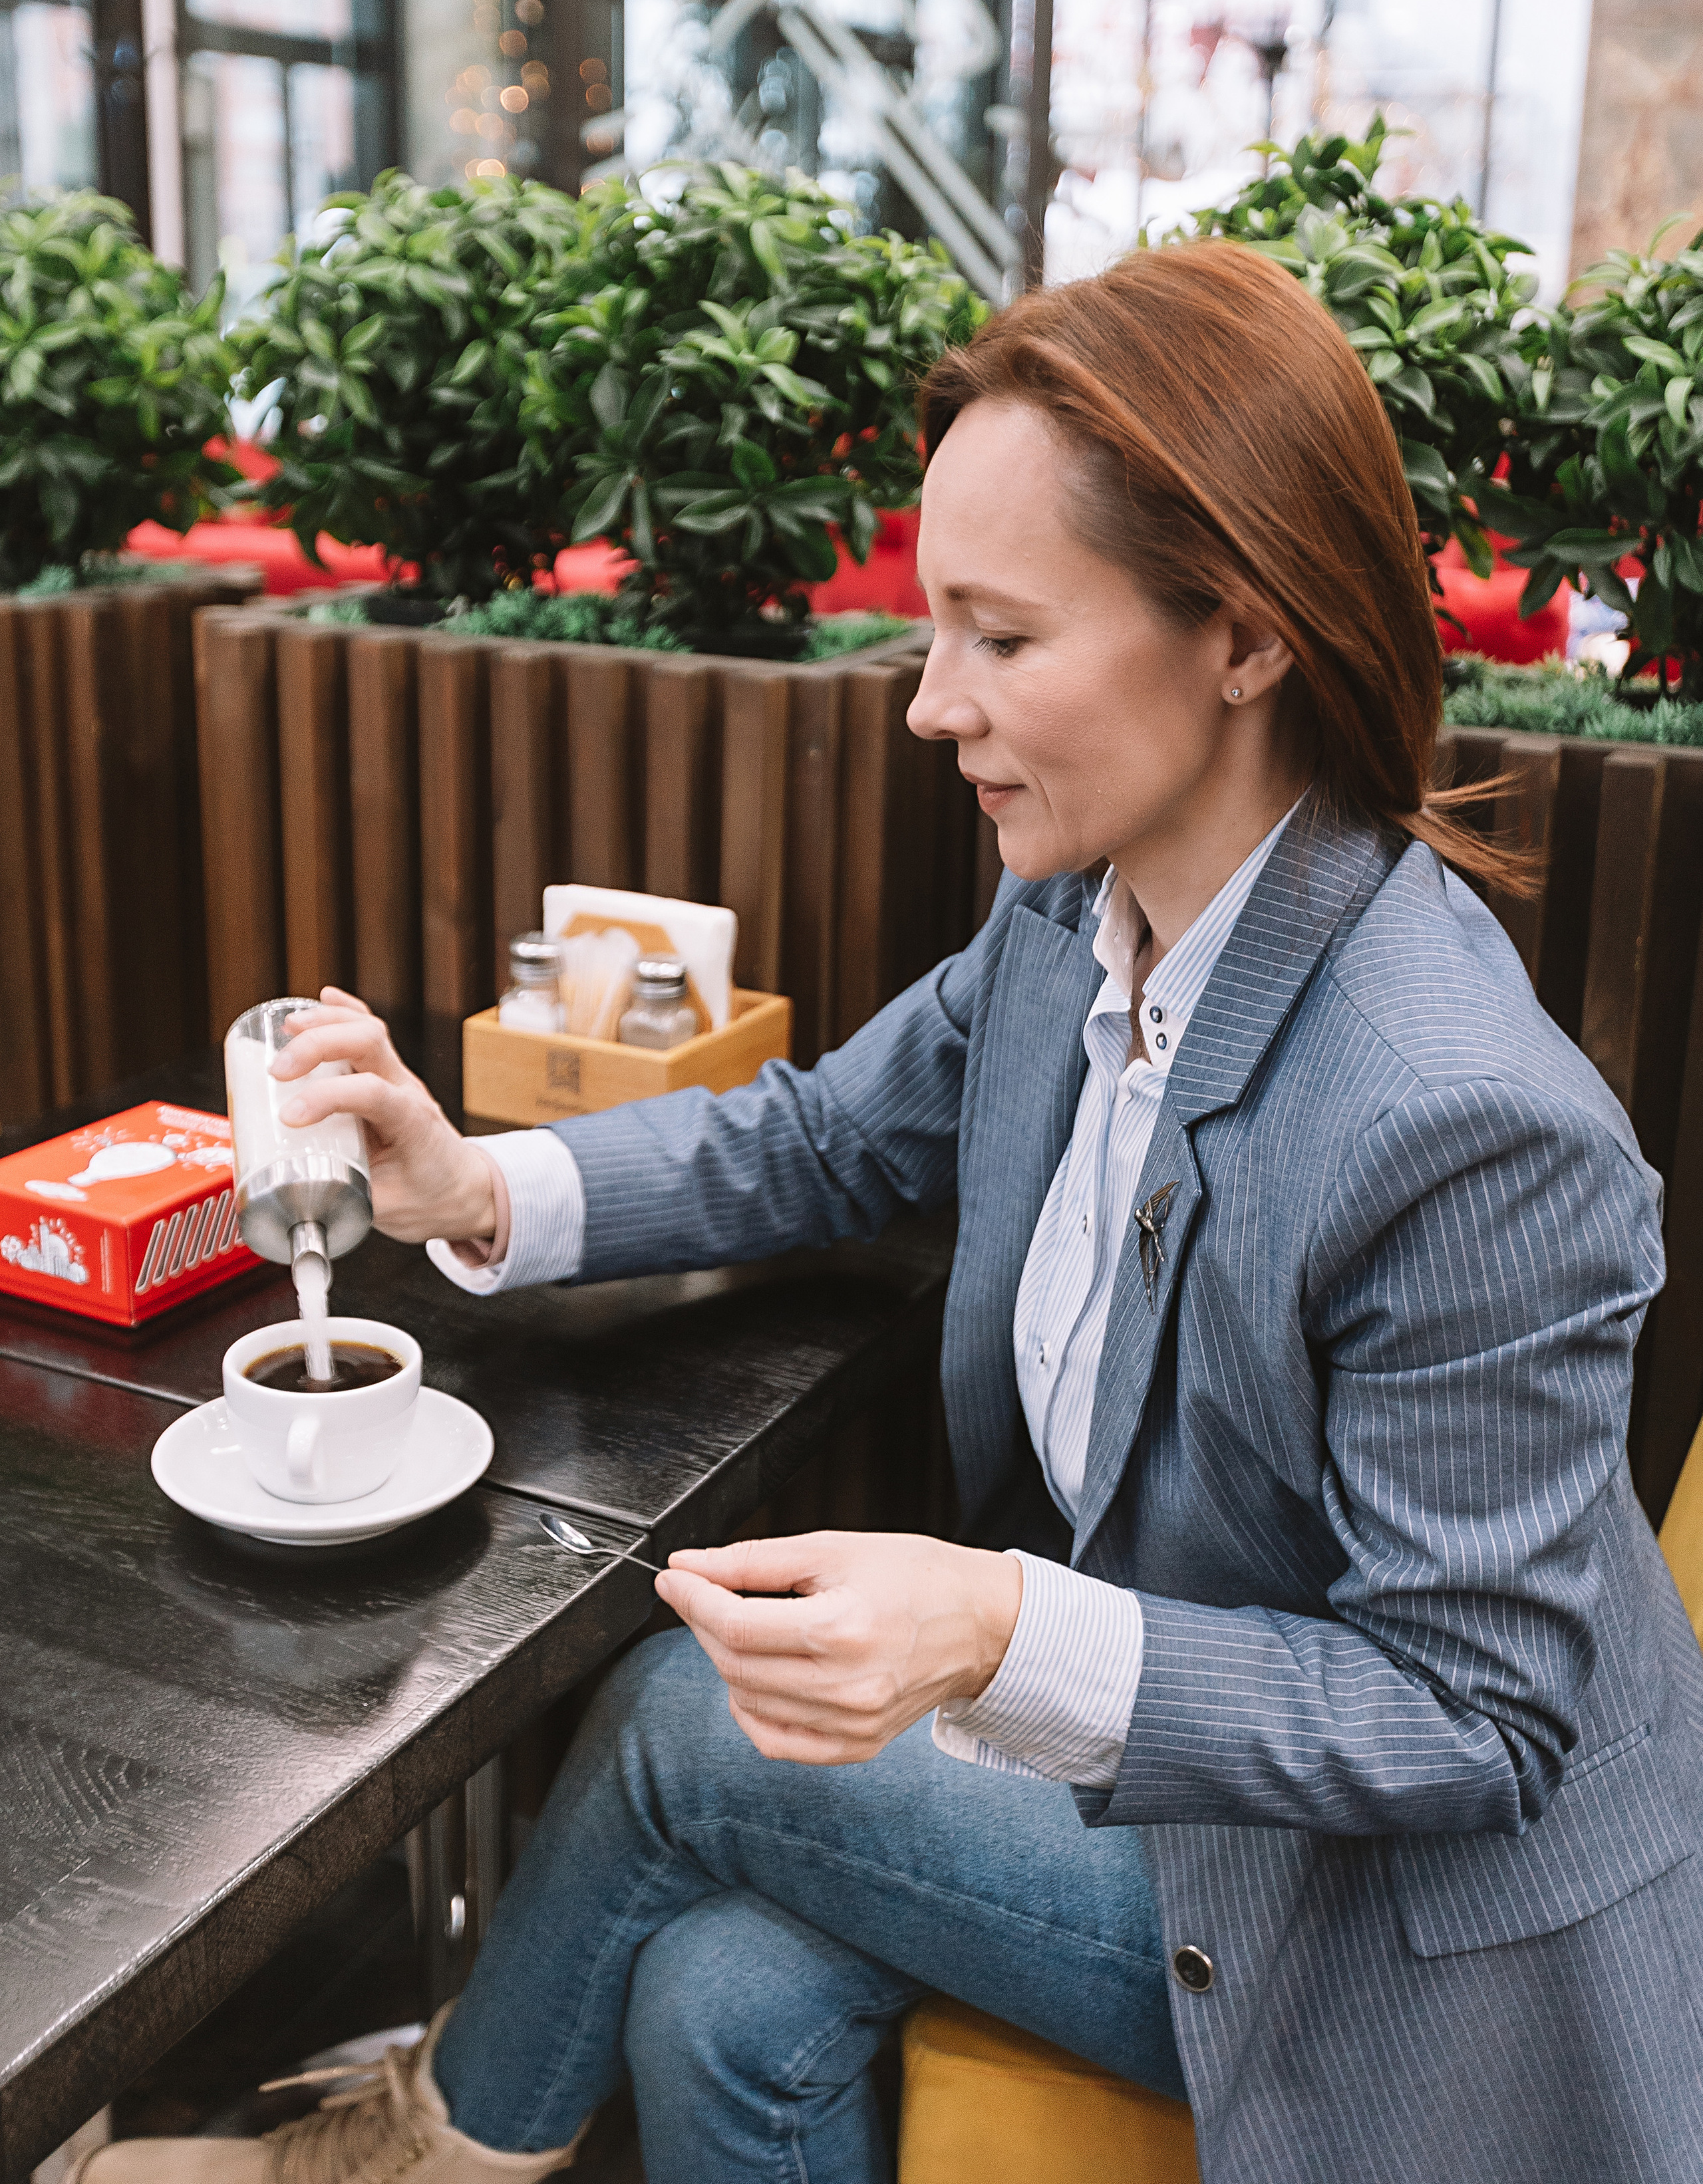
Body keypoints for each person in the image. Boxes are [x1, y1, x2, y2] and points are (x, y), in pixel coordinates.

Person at [84, 245, 1703, 2184]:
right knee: (718, 2003)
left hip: (1387, 1933)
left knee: (686, 1719)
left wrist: (1005, 1625)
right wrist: (470, 1180)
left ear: (1248, 638)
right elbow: (825, 1138)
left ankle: (387, 2169)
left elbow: (1477, 1718)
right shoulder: (1074, 913)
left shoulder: (1458, 1121)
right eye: (934, 631)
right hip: (1194, 1792)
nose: (933, 703)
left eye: (1001, 638)